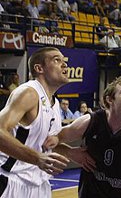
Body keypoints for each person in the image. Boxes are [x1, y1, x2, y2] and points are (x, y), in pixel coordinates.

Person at [0, 47, 70, 197]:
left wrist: (74, 153)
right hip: (11, 180)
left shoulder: (55, 103)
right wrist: (37, 158)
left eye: (64, 60)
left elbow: (43, 145)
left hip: (39, 183)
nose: (64, 64)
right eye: (57, 60)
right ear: (39, 68)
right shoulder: (29, 93)